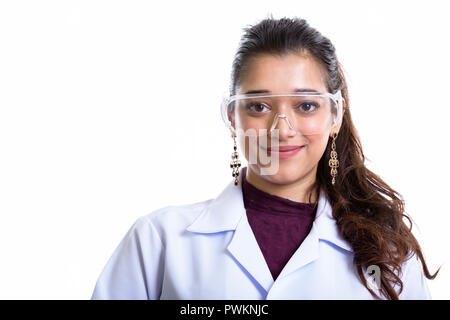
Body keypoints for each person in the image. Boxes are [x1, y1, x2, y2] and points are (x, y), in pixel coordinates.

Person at [91, 15, 439, 300]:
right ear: (232, 117)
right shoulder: (159, 242)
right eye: (259, 106)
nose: (282, 129)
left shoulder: (387, 251)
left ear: (335, 116)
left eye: (306, 106)